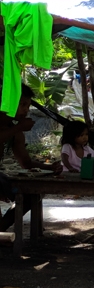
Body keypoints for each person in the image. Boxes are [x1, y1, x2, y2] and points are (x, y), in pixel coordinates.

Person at [0, 84, 63, 230]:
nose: (26, 110)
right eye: (22, 105)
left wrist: (50, 168)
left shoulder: (15, 131)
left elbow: (26, 162)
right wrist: (19, 128)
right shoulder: (16, 129)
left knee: (29, 196)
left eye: (28, 106)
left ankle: (1, 228)